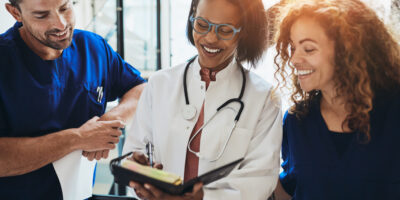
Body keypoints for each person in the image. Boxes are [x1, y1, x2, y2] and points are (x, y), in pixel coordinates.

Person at [122, 0, 282, 199]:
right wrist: (138, 170)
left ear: (244, 32)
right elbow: (135, 150)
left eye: (225, 30)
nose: (210, 38)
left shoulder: (264, 98)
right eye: (202, 25)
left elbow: (260, 176)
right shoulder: (159, 84)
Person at [0, 0, 146, 199]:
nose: (60, 24)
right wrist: (77, 139)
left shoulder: (92, 47)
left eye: (65, 8)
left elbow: (139, 89)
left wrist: (107, 125)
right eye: (42, 15)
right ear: (15, 12)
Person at [271, 0, 400, 199]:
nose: (294, 59)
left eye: (308, 49)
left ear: (347, 50)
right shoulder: (297, 121)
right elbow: (290, 193)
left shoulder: (394, 112)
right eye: (293, 47)